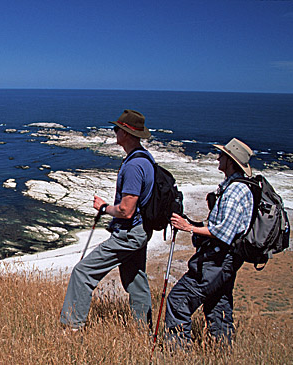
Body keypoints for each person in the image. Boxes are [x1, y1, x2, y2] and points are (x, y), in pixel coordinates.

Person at [60, 109, 155, 330]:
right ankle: (144, 329)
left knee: (82, 272)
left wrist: (103, 208)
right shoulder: (144, 158)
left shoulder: (133, 166)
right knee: (135, 281)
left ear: (127, 134)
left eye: (117, 129)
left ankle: (72, 327)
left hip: (128, 233)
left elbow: (126, 210)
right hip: (140, 230)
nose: (114, 132)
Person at [165, 138, 254, 345]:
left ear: (230, 161)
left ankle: (179, 354)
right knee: (218, 304)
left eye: (222, 155)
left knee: (178, 302)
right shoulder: (238, 187)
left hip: (218, 259)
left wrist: (189, 228)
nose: (218, 158)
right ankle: (221, 352)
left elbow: (224, 232)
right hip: (227, 261)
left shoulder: (234, 191)